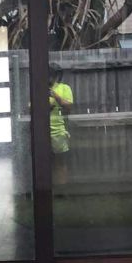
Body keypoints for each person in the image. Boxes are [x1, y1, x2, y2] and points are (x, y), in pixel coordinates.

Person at [49, 63, 74, 191]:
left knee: (60, 162)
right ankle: (48, 189)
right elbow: (31, 108)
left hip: (59, 131)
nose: (50, 78)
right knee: (45, 163)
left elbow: (68, 107)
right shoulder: (39, 87)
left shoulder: (65, 88)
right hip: (41, 131)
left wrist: (56, 96)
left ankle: (62, 190)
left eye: (52, 75)